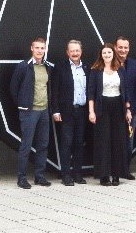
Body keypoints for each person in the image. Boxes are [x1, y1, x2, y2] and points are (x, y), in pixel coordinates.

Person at [10, 37, 54, 189]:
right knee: (26, 145)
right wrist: (23, 105)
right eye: (37, 48)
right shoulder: (24, 66)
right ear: (32, 48)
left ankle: (39, 176)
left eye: (42, 48)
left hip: (44, 111)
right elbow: (13, 88)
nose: (40, 51)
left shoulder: (47, 67)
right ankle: (21, 178)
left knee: (43, 144)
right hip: (29, 112)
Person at [87, 42, 132, 186]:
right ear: (101, 55)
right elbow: (91, 94)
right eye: (104, 53)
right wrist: (91, 112)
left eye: (109, 52)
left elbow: (125, 91)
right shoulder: (95, 70)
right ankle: (104, 175)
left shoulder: (121, 69)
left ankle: (117, 174)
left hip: (118, 107)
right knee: (103, 141)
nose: (107, 55)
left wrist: (128, 110)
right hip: (102, 107)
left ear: (114, 54)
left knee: (118, 140)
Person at [50, 39, 88, 186]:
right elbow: (55, 91)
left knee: (79, 143)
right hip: (66, 112)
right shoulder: (60, 68)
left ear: (81, 52)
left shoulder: (86, 67)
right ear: (67, 52)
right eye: (72, 50)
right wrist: (55, 110)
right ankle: (66, 175)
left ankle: (78, 174)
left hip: (82, 111)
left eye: (77, 50)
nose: (75, 53)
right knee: (66, 143)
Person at [114, 36, 136, 180]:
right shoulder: (109, 64)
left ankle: (125, 170)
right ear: (115, 47)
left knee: (129, 142)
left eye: (125, 47)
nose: (123, 50)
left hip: (132, 111)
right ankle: (114, 171)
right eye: (120, 47)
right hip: (115, 109)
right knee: (115, 141)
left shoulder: (135, 65)